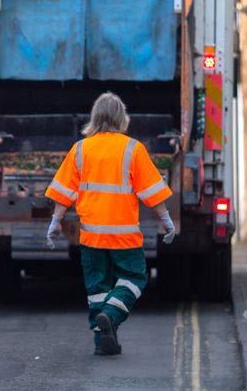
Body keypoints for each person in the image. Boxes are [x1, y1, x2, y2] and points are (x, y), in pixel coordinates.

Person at [44, 93, 179, 356]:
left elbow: (63, 191)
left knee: (98, 288)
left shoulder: (80, 149)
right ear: (121, 118)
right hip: (124, 236)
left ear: (95, 117)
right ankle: (111, 316)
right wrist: (167, 220)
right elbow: (151, 191)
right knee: (134, 277)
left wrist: (55, 222)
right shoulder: (132, 148)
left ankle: (103, 342)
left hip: (91, 236)